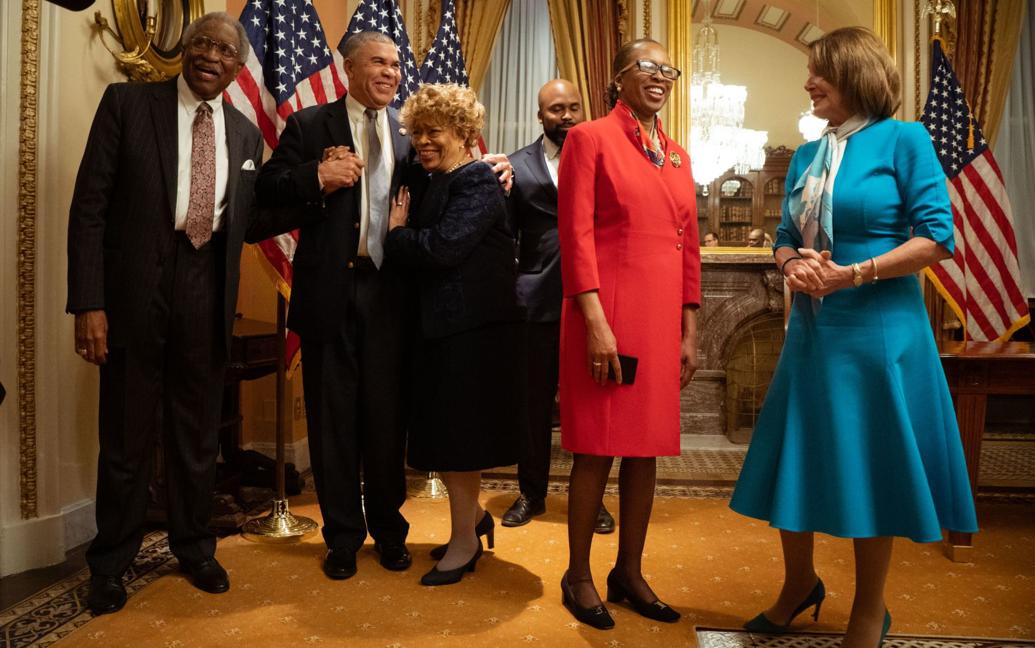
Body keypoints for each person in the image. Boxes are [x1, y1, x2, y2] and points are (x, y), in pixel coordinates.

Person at [729, 27, 977, 648]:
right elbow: (785, 232)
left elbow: (937, 236)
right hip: (813, 332)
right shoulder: (810, 156)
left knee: (872, 463)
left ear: (855, 75)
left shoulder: (905, 140)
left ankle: (870, 609)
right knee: (799, 456)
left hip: (879, 333)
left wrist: (857, 271)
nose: (809, 83)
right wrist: (790, 264)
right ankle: (798, 584)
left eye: (821, 73)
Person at [256, 32, 513, 582]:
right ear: (349, 67)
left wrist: (495, 164)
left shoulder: (408, 135)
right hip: (328, 295)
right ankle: (343, 538)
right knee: (333, 426)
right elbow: (267, 194)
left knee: (385, 421)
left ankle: (390, 533)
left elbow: (451, 173)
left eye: (397, 65)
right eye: (379, 61)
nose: (391, 73)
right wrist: (315, 178)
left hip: (393, 297)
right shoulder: (308, 126)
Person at [67, 12, 269, 615]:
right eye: (203, 42)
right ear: (186, 49)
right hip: (134, 293)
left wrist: (317, 186)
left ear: (237, 68)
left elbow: (251, 218)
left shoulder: (245, 133)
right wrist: (89, 303)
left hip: (206, 291)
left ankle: (194, 545)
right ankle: (111, 563)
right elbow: (89, 209)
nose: (211, 54)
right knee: (126, 437)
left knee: (196, 435)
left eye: (226, 50)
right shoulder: (127, 105)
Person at [556, 39, 700, 629]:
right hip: (605, 320)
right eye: (648, 66)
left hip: (661, 322)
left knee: (647, 452)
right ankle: (578, 575)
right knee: (597, 449)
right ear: (619, 78)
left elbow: (687, 244)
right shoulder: (590, 138)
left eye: (669, 68)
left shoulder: (678, 155)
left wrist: (690, 329)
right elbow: (576, 237)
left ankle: (629, 572)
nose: (661, 76)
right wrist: (595, 325)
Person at [384, 83, 525, 586]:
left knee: (459, 442)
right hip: (440, 332)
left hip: (472, 335)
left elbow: (443, 248)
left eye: (433, 131)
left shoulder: (478, 181)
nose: (421, 140)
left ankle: (465, 541)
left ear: (465, 134)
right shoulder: (435, 178)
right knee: (445, 439)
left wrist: (398, 236)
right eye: (416, 131)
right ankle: (472, 522)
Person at [501, 79, 614, 534]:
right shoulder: (514, 166)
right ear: (540, 115)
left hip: (597, 301)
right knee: (532, 405)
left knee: (589, 404)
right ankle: (532, 492)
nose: (565, 116)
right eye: (555, 109)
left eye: (572, 107)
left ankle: (592, 499)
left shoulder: (604, 155)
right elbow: (505, 236)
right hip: (536, 301)